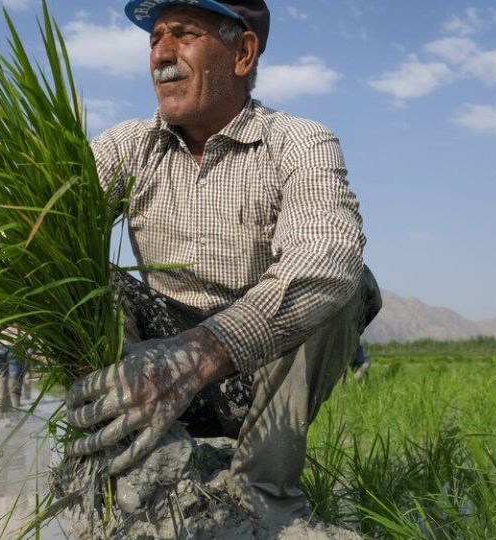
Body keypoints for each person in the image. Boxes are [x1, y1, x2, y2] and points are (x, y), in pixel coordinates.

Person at [65, 0, 381, 523]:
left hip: (257, 373)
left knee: (345, 283)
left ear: (242, 52)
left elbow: (327, 255)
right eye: (154, 38)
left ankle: (262, 498)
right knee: (84, 280)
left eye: (183, 34)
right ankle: (128, 472)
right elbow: (38, 243)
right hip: (149, 378)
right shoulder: (126, 146)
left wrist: (196, 355)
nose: (161, 54)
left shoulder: (300, 142)